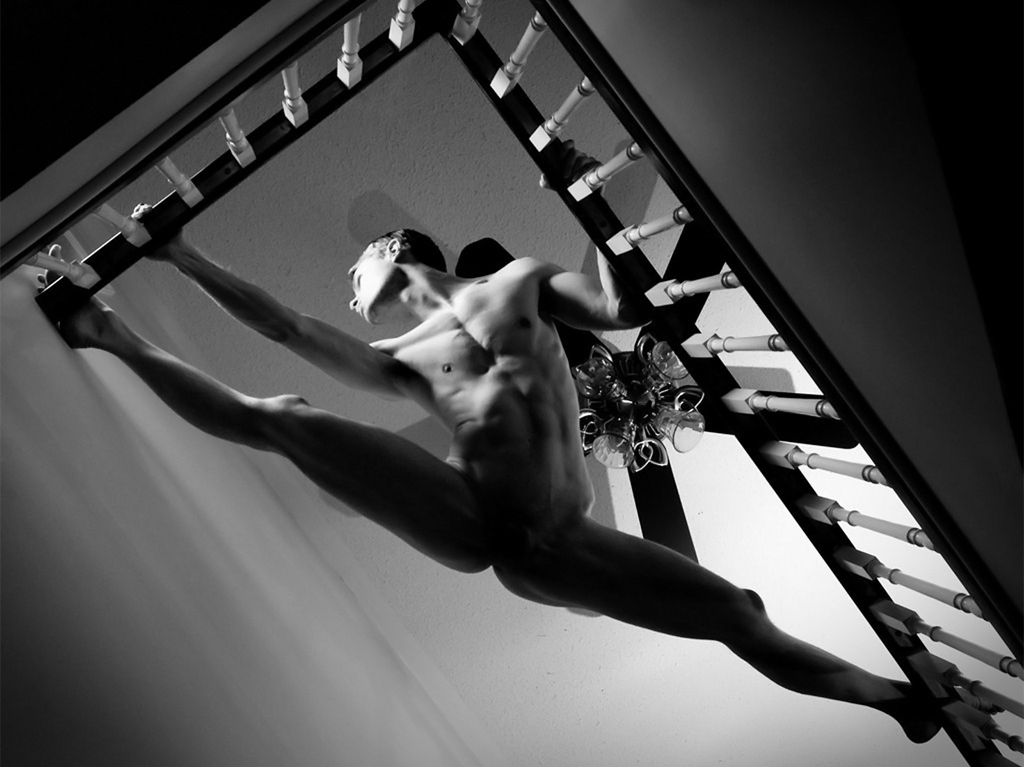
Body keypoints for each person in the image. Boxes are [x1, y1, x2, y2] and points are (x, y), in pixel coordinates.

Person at [50, 205, 938, 745]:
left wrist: (587, 204)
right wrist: (182, 255)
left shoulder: (519, 282)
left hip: (558, 543)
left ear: (393, 249)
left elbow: (618, 309)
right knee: (283, 416)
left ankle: (895, 698)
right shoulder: (398, 359)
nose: (349, 290)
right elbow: (286, 328)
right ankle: (108, 335)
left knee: (739, 612)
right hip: (470, 516)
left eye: (353, 272)